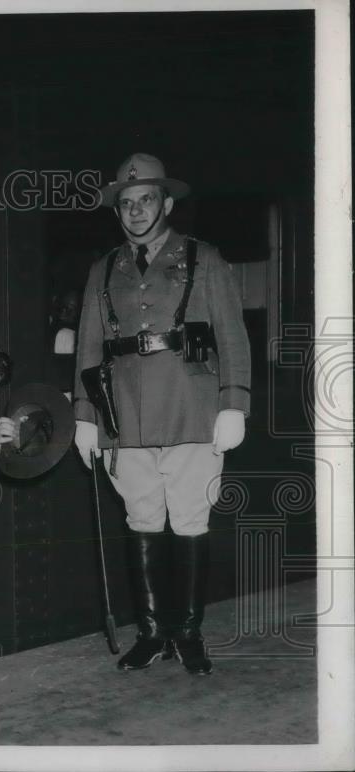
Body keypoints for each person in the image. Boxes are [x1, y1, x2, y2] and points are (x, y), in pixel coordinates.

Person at [73, 153, 251, 675]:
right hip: (124, 414)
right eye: (126, 204)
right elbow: (88, 348)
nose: (135, 210)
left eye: (145, 199)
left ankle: (189, 634)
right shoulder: (104, 269)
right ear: (117, 212)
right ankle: (152, 634)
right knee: (143, 520)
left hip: (192, 408)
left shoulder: (204, 258)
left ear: (166, 203)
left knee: (191, 520)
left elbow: (233, 337)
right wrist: (85, 417)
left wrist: (233, 404)